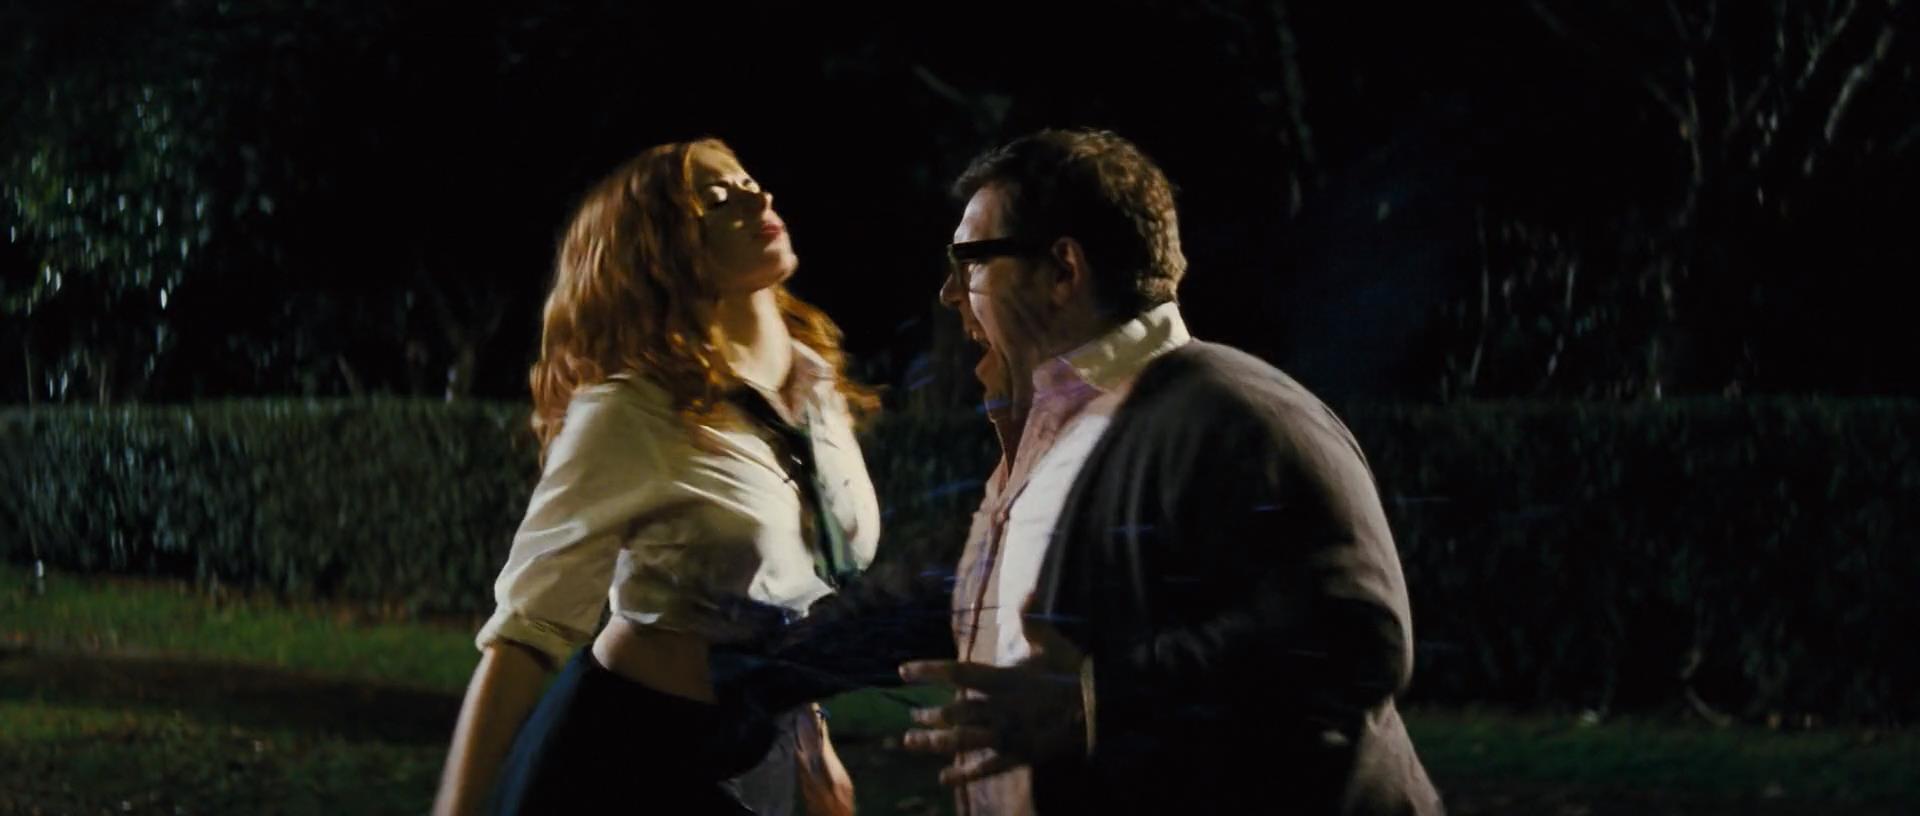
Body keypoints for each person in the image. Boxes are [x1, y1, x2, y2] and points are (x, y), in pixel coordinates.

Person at [897, 128, 1444, 814]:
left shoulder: (1239, 414)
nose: (951, 292)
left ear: (1064, 270)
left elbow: (1357, 638)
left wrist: (1095, 703)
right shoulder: (1064, 426)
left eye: (972, 261)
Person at [431, 137, 877, 816]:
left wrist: (814, 745)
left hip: (765, 747)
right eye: (717, 200)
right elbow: (526, 634)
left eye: (750, 183)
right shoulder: (630, 410)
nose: (758, 198)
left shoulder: (818, 390)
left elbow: (798, 590)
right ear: (662, 252)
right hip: (632, 756)